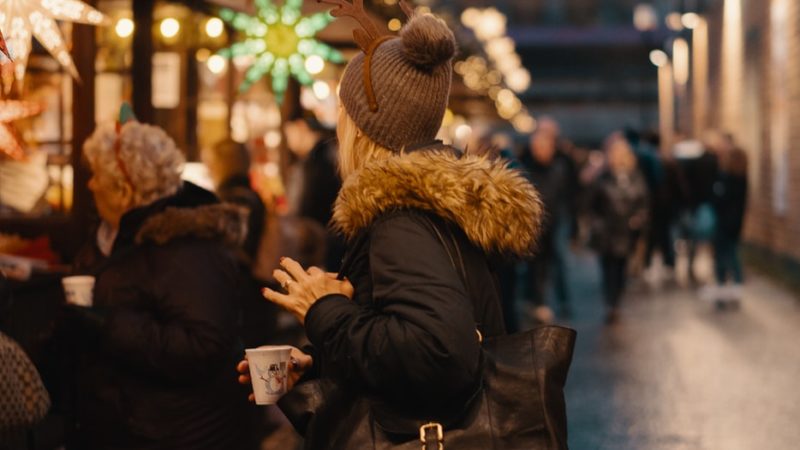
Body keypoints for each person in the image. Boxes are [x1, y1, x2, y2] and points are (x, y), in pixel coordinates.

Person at [238, 11, 543, 448]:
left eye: (345, 112)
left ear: (363, 127)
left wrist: (324, 311)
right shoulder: (434, 205)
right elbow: (406, 346)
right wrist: (320, 363)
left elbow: (439, 354)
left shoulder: (401, 218)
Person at [64, 108, 251, 449]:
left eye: (96, 176)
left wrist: (108, 326)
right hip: (125, 427)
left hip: (177, 434)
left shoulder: (188, 247)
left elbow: (203, 347)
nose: (89, 184)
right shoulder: (108, 237)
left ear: (124, 189)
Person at [589, 135, 649, 324]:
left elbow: (644, 200)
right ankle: (611, 303)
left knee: (621, 268)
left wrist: (639, 217)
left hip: (626, 231)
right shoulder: (602, 177)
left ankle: (616, 301)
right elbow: (591, 203)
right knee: (608, 269)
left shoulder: (634, 176)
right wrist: (596, 223)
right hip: (607, 231)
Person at [520, 124, 574, 322]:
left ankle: (563, 301)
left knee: (558, 263)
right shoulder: (526, 168)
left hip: (557, 221)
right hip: (536, 224)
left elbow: (568, 194)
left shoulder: (561, 166)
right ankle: (538, 301)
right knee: (536, 266)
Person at [283, 110, 344, 271]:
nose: (288, 141)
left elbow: (306, 208)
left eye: (289, 134)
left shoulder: (316, 163)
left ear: (300, 127)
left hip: (322, 248)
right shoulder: (329, 155)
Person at [710, 138, 748, 308]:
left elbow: (717, 200)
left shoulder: (725, 178)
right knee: (733, 256)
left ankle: (722, 290)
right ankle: (735, 288)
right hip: (736, 224)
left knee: (722, 258)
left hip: (723, 224)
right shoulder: (743, 178)